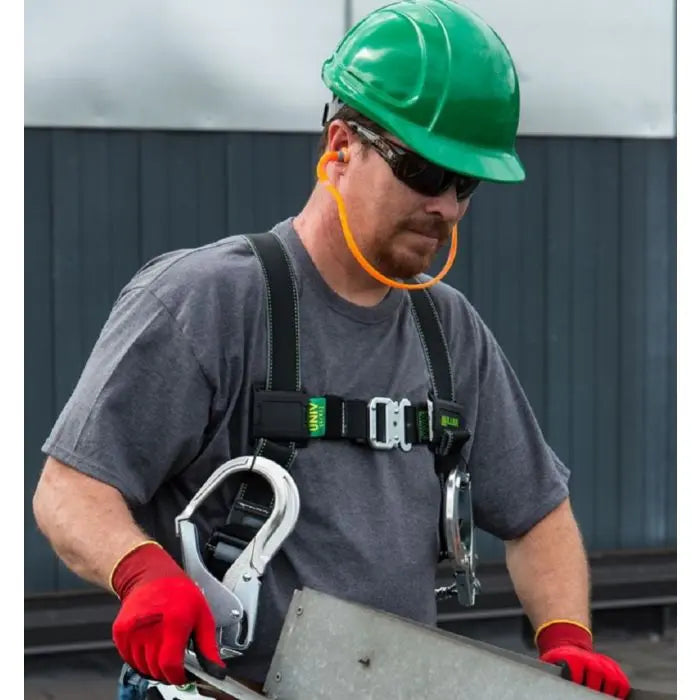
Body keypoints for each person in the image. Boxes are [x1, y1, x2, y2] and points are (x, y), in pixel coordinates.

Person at [32, 1, 632, 698]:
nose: (445, 206)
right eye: (424, 171)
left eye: (464, 184)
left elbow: (537, 514)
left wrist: (567, 637)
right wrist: (141, 573)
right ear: (341, 146)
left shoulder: (448, 331)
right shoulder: (207, 302)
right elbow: (70, 490)